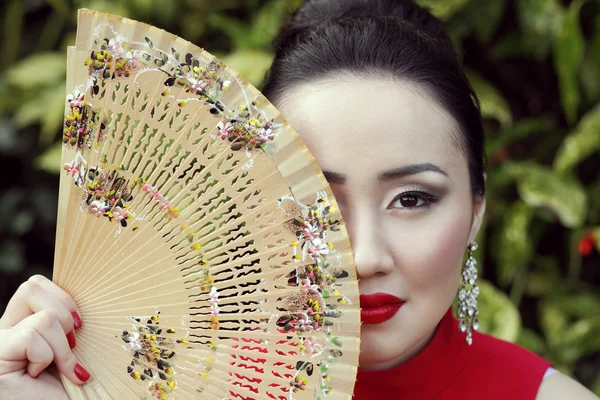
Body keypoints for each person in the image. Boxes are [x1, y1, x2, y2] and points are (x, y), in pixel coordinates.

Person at [0, 1, 597, 399]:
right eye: (319, 202)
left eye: (412, 198)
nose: (363, 256)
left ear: (475, 212)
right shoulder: (166, 384)